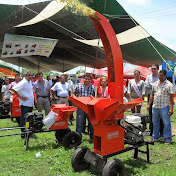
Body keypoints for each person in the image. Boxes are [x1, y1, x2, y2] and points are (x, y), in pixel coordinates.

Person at [147, 70, 174, 145]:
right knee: (155, 122)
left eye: (161, 75)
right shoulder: (155, 84)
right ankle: (155, 137)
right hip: (155, 106)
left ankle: (167, 139)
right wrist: (149, 104)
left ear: (165, 76)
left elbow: (171, 97)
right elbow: (152, 95)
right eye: (159, 75)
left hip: (164, 107)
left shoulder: (169, 84)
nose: (159, 77)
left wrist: (171, 108)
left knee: (166, 123)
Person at [11, 71, 34, 138]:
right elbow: (14, 89)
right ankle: (23, 133)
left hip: (30, 103)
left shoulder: (29, 81)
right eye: (29, 75)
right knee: (24, 118)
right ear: (25, 75)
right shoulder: (23, 82)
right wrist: (20, 97)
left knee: (29, 118)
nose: (31, 76)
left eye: (31, 75)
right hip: (25, 104)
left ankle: (28, 131)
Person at [72, 74, 95, 140]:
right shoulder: (78, 86)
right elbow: (73, 93)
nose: (87, 80)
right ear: (83, 79)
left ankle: (92, 136)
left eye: (88, 79)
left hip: (89, 107)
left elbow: (94, 96)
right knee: (79, 121)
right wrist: (76, 100)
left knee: (91, 122)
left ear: (91, 80)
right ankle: (78, 136)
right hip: (80, 106)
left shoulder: (93, 87)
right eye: (86, 79)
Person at [145, 64, 163, 136]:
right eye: (152, 69)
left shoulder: (160, 76)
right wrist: (155, 85)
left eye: (154, 69)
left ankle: (161, 132)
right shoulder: (148, 77)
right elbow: (146, 85)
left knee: (161, 115)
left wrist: (151, 85)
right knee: (151, 115)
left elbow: (161, 85)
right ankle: (151, 131)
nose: (153, 70)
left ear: (158, 69)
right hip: (151, 97)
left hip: (159, 97)